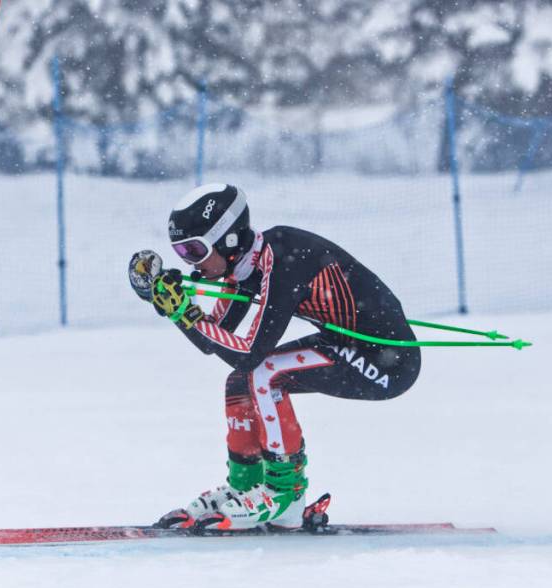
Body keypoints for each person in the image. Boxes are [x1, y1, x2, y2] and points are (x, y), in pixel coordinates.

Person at [130, 183, 421, 532]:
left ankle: (285, 494)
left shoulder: (282, 264)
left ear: (229, 239)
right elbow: (216, 335)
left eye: (194, 249)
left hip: (387, 361)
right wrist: (171, 304)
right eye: (180, 252)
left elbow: (250, 353)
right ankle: (246, 484)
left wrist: (184, 316)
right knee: (240, 383)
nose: (188, 261)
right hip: (348, 344)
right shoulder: (246, 266)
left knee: (265, 373)